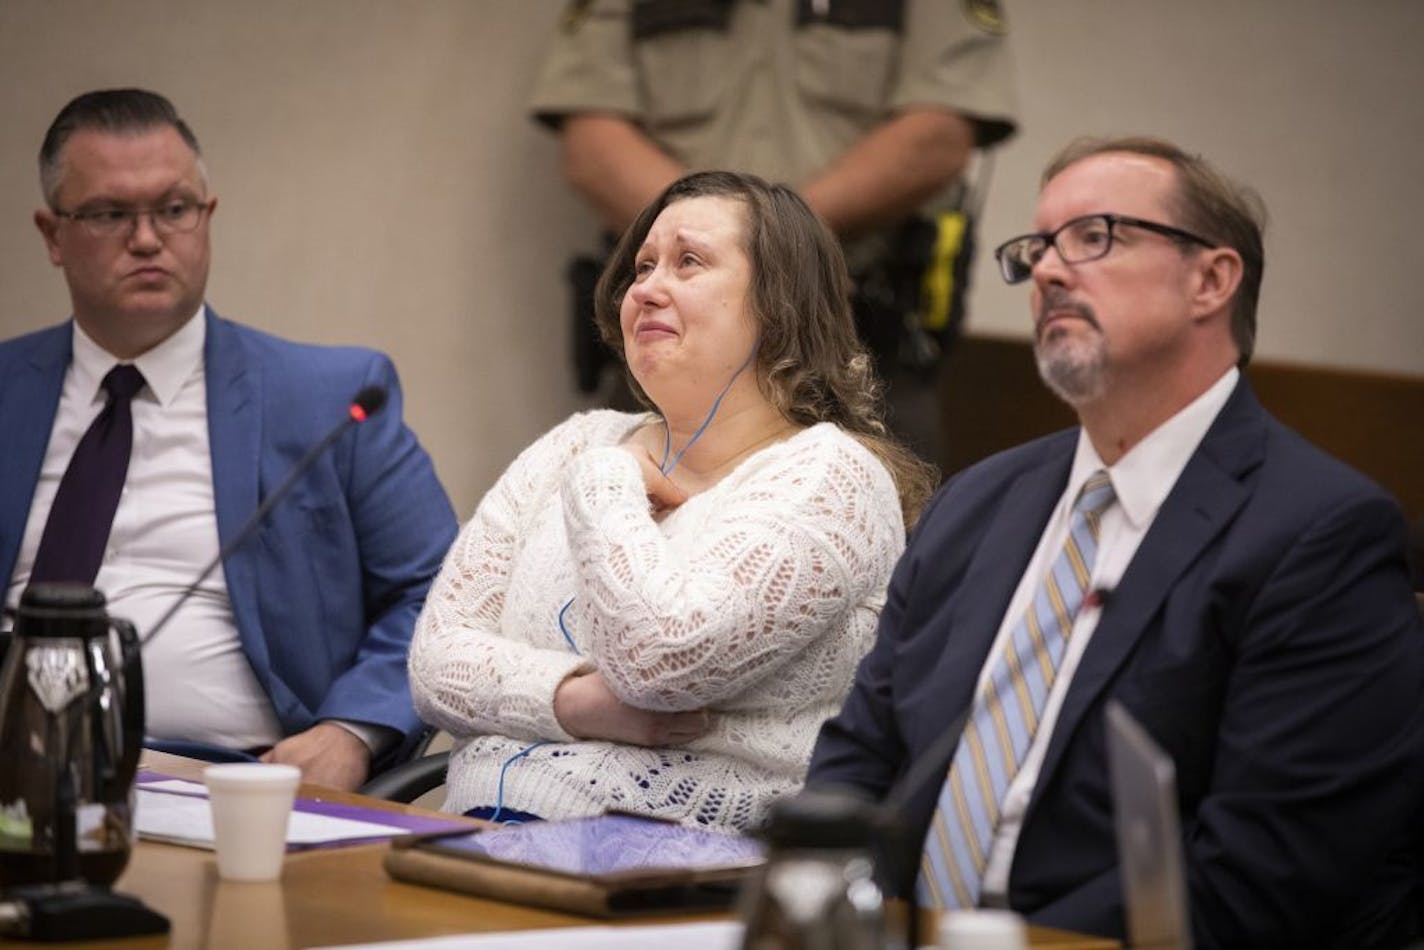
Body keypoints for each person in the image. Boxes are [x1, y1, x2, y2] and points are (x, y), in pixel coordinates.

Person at [807, 137, 1424, 946]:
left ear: (1212, 279)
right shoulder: (976, 503)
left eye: (1095, 236)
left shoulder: (1320, 536)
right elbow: (862, 753)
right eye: (1038, 248)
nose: (1051, 271)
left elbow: (1261, 878)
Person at [409, 170, 934, 829]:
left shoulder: (832, 476)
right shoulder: (578, 444)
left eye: (689, 262)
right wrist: (576, 704)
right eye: (642, 267)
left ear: (781, 301)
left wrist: (608, 486)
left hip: (673, 865)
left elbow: (662, 660)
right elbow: (435, 664)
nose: (648, 289)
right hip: (471, 836)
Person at [0, 89, 457, 791]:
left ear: (206, 218)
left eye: (174, 209)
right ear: (52, 235)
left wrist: (351, 731)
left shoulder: (331, 397)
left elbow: (440, 590)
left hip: (232, 783)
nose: (147, 238)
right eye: (109, 214)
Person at [528, 0, 1018, 467]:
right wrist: (712, 240)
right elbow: (592, 146)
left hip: (865, 351)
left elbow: (939, 136)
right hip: (671, 368)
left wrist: (781, 243)